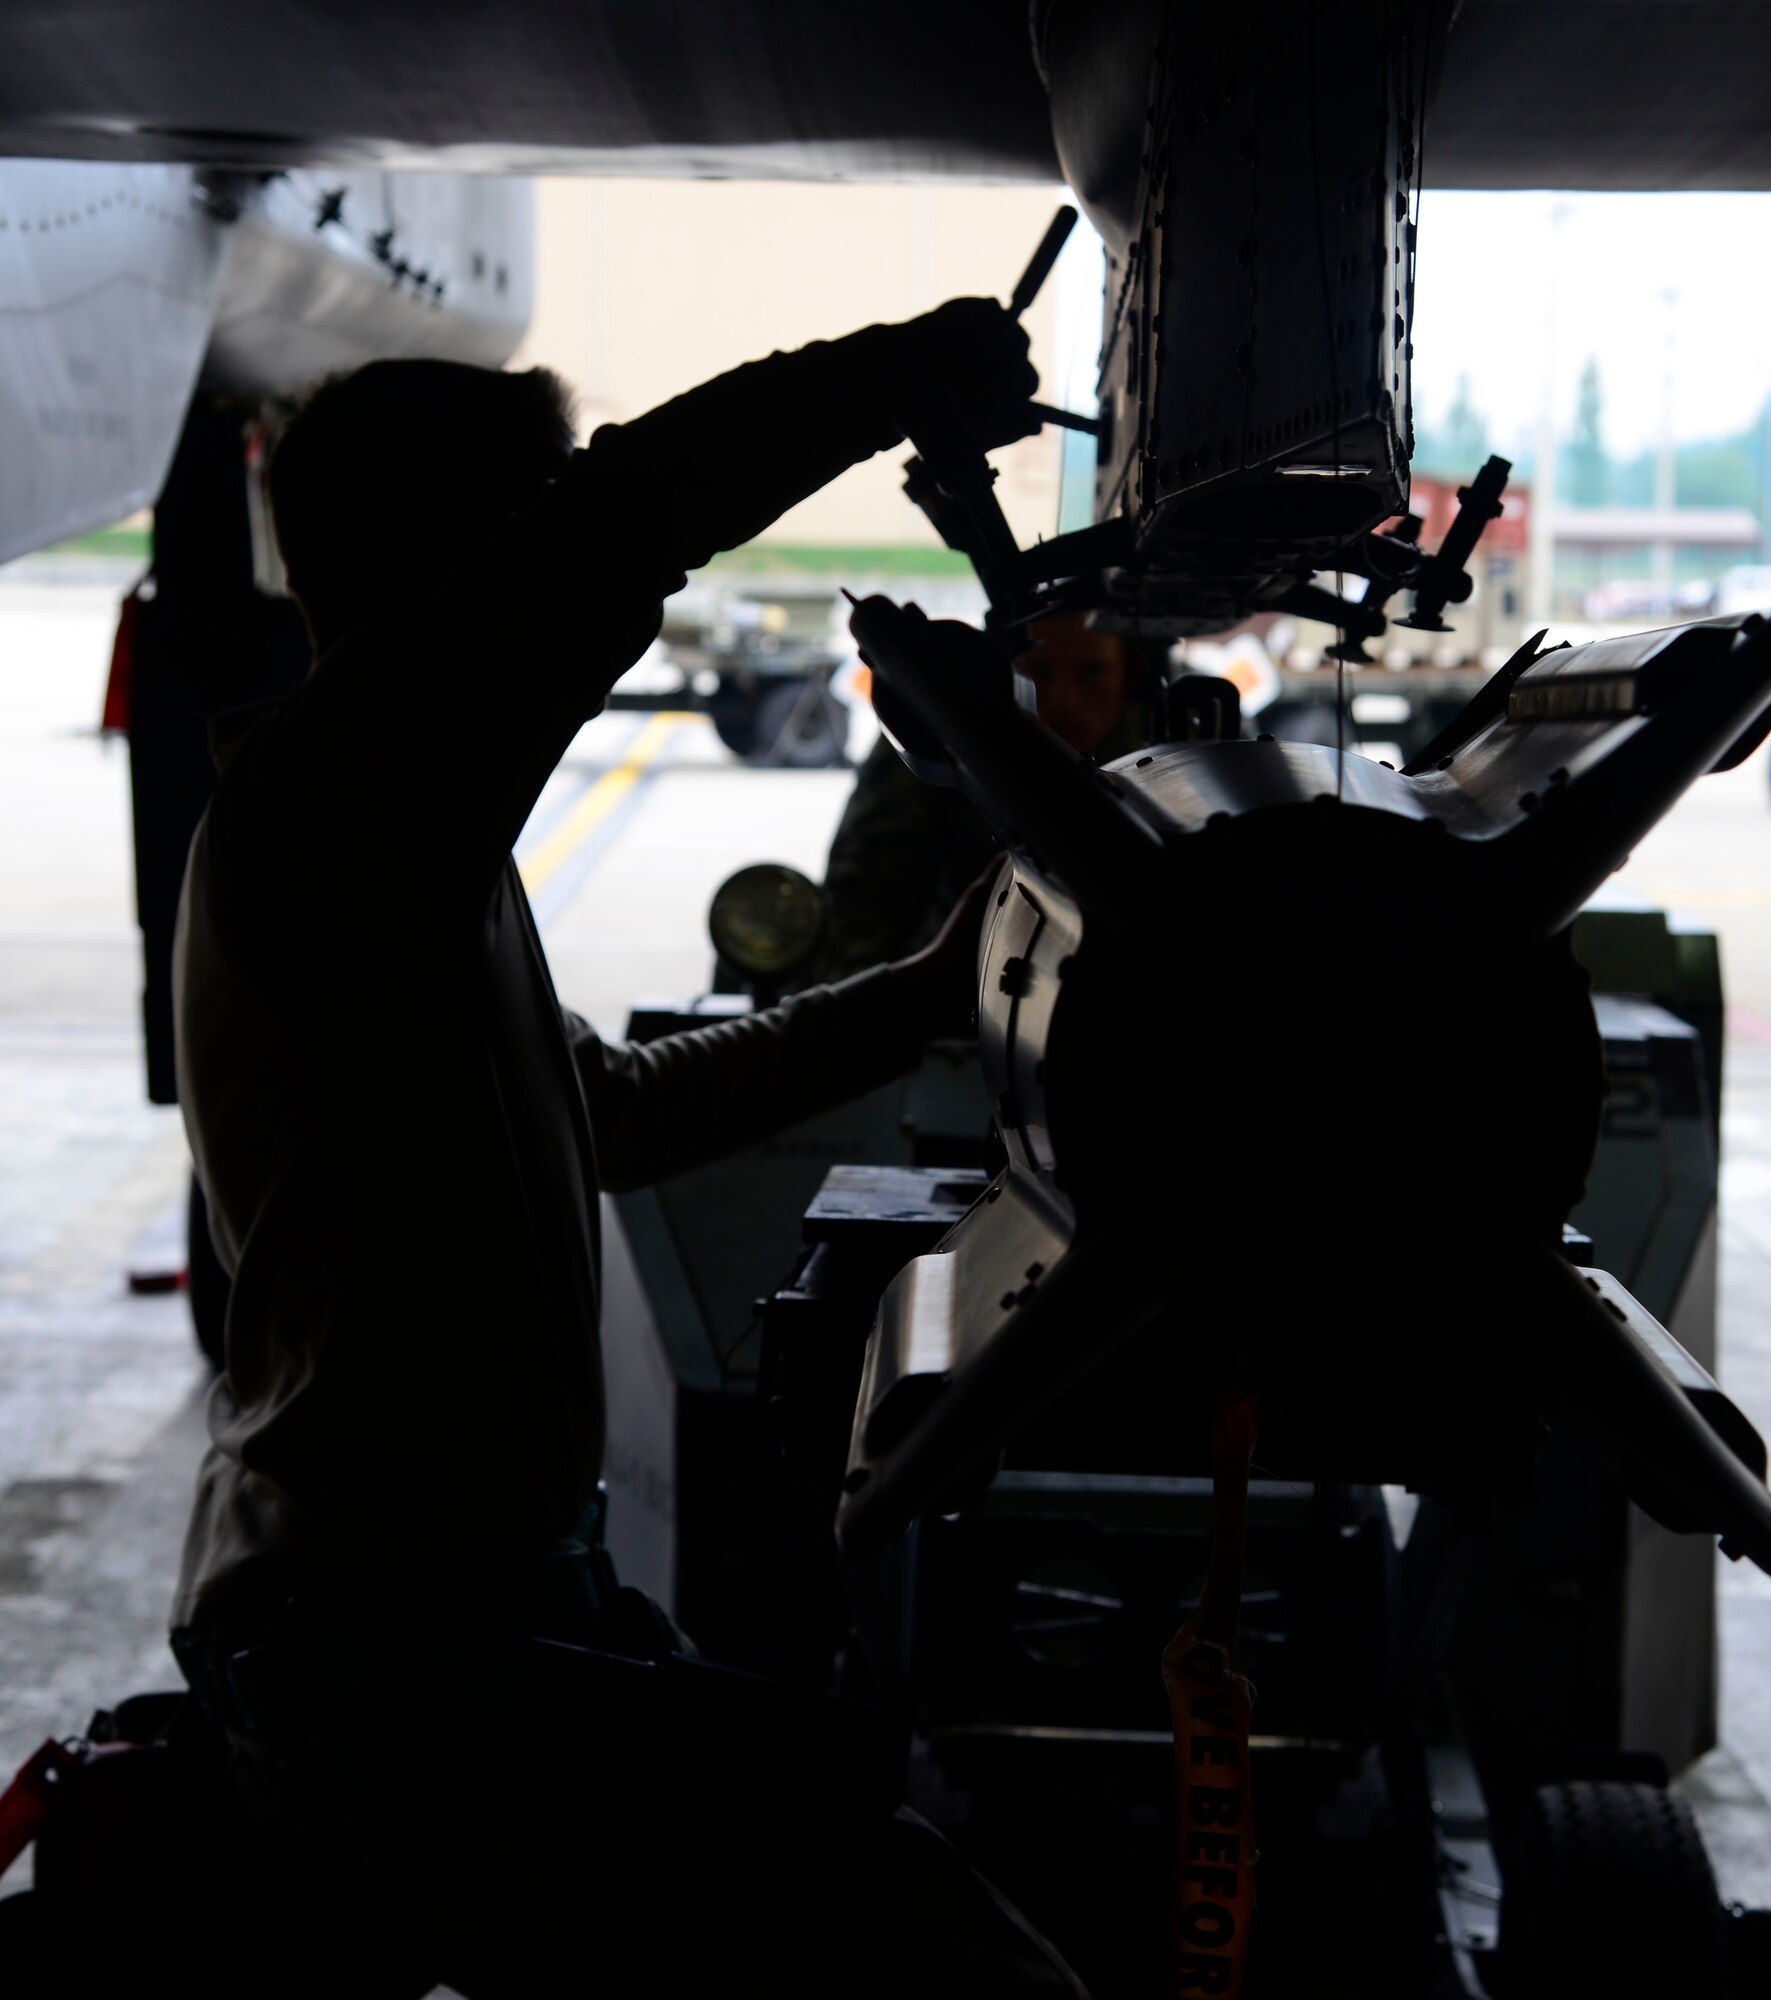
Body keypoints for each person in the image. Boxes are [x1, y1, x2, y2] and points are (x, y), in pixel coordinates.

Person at [16, 312, 1091, 1996]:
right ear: (436, 564)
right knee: (921, 1939)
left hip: (437, 1620)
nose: (620, 612)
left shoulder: (397, 852)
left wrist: (918, 998)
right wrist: (888, 374)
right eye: (524, 531)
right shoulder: (343, 800)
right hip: (401, 1656)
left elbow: (611, 1110)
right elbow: (627, 522)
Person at [817, 610, 1163, 979]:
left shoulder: (1171, 739)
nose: (1067, 702)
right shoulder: (942, 738)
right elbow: (865, 900)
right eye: (1039, 673)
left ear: (1129, 675)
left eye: (1092, 673)